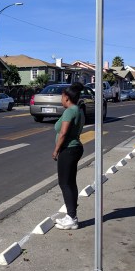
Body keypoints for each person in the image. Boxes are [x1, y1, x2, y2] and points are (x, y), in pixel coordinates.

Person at [52, 83, 85, 230]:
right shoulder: (78, 110)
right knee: (71, 183)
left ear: (66, 97)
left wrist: (56, 150)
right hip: (75, 148)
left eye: (61, 96)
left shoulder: (69, 111)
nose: (61, 98)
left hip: (68, 149)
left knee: (64, 183)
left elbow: (63, 133)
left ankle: (71, 218)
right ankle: (72, 215)